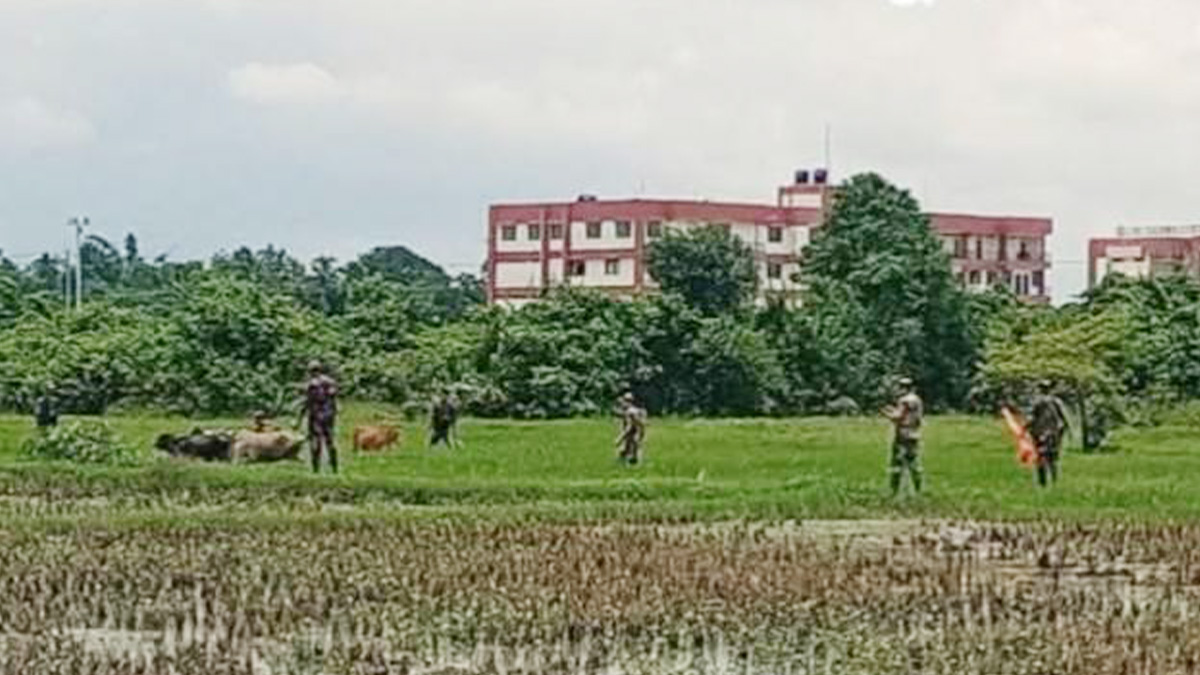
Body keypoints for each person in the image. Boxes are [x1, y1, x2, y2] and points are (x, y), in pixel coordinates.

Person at [884, 377, 924, 496]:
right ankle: (918, 489)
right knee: (914, 464)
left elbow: (899, 417)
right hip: (914, 433)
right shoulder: (917, 400)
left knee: (897, 464)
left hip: (902, 435)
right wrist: (893, 410)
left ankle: (894, 491)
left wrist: (886, 413)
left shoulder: (904, 400)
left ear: (903, 387)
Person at [298, 361, 339, 474]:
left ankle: (316, 469)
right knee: (330, 441)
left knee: (316, 442)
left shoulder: (311, 384)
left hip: (315, 416)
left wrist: (300, 417)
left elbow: (307, 402)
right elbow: (334, 399)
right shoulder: (330, 382)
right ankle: (335, 468)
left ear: (310, 371)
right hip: (329, 415)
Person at [1027, 380, 1070, 487]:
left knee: (1041, 458)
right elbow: (1063, 419)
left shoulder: (1037, 402)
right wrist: (1065, 431)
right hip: (1053, 434)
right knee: (1053, 459)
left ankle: (1043, 482)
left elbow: (1032, 419)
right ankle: (1054, 481)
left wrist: (1025, 428)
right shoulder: (1056, 402)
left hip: (1040, 434)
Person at [615, 392, 647, 466]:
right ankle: (628, 463)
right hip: (635, 432)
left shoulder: (630, 412)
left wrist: (620, 438)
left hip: (635, 432)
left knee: (631, 450)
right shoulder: (631, 410)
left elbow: (629, 427)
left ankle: (635, 463)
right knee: (625, 450)